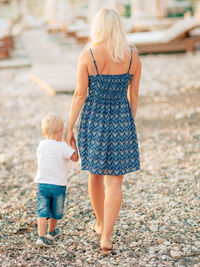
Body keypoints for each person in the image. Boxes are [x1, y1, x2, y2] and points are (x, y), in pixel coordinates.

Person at [65, 8, 141, 254]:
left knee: (95, 174)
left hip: (94, 118)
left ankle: (100, 223)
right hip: (121, 118)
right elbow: (135, 96)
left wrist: (68, 127)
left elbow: (79, 94)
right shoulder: (132, 57)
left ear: (97, 27)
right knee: (115, 180)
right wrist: (128, 122)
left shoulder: (89, 54)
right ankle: (106, 236)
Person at [35, 114, 79, 247]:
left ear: (43, 132)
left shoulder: (41, 146)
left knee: (42, 209)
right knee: (55, 210)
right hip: (58, 185)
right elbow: (75, 158)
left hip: (42, 184)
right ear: (61, 132)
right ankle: (51, 231)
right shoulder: (62, 146)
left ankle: (41, 237)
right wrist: (73, 144)